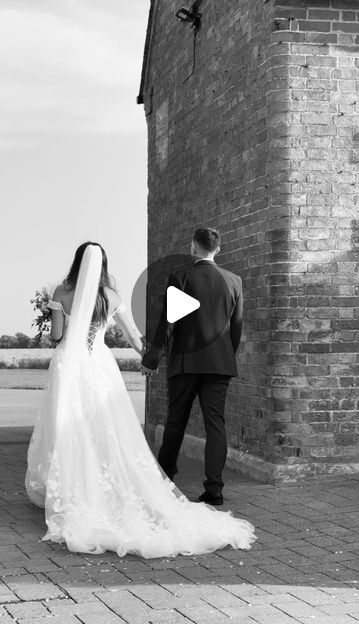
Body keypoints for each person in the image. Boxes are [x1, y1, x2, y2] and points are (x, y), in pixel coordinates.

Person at [25, 241, 255, 558]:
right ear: (103, 265)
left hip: (70, 367)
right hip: (100, 366)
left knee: (65, 425)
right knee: (105, 427)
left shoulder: (61, 293)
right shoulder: (111, 296)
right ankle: (110, 484)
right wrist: (148, 359)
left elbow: (57, 336)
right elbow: (133, 335)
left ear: (77, 263)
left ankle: (71, 488)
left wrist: (57, 314)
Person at [142, 228, 243, 506]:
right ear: (218, 249)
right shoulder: (234, 281)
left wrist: (152, 361)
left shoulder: (181, 278)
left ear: (193, 247)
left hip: (186, 363)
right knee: (215, 425)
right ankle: (215, 489)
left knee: (176, 422)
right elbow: (236, 328)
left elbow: (167, 323)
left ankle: (164, 483)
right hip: (220, 365)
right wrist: (223, 357)